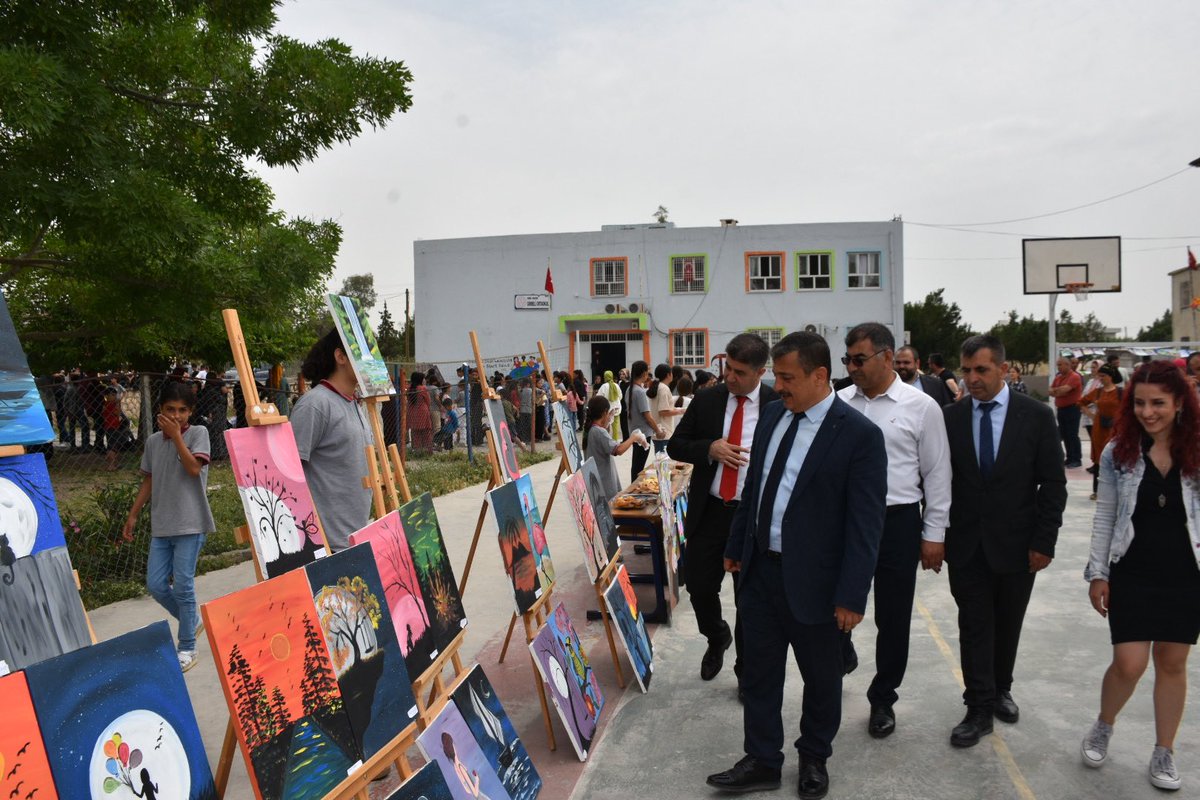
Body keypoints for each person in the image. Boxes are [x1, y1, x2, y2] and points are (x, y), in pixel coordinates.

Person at [706, 331, 887, 799]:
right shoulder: (772, 416)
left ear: (820, 375)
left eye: (788, 378)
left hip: (819, 583)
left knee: (821, 678)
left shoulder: (859, 435)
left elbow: (865, 526)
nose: (779, 386)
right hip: (761, 572)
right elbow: (756, 488)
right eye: (778, 377)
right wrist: (736, 545)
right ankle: (763, 758)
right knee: (760, 673)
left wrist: (852, 594)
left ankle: (813, 756)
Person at [1081, 360, 1200, 791]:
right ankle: (1104, 723)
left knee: (1172, 663)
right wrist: (1098, 573)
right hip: (1131, 569)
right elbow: (1107, 515)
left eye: (1159, 404)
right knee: (1128, 664)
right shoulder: (1119, 452)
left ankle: (1164, 750)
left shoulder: (1198, 448)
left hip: (1186, 575)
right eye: (1141, 404)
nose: (1148, 412)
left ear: (1181, 403)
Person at [942, 334, 1066, 747]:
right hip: (966, 544)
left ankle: (1001, 688)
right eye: (967, 370)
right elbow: (939, 483)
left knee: (1008, 622)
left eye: (982, 370)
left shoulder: (1036, 417)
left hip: (1018, 543)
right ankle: (978, 707)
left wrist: (1044, 541)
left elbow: (1052, 483)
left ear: (1003, 370)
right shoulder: (950, 419)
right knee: (974, 623)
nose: (972, 378)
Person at [837, 323, 952, 739]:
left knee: (893, 616)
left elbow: (937, 473)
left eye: (859, 359)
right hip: (845, 522)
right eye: (847, 359)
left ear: (888, 357)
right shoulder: (838, 403)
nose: (851, 368)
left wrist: (933, 532)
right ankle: (841, 655)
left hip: (897, 521)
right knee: (833, 605)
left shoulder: (921, 407)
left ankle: (883, 696)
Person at [668, 334, 779, 690]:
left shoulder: (777, 404)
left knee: (749, 599)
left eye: (740, 371)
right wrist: (709, 448)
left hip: (752, 518)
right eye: (727, 368)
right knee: (700, 586)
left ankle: (746, 670)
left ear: (761, 371)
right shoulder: (707, 399)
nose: (730, 376)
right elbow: (675, 445)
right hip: (711, 511)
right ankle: (717, 637)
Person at [123, 381, 215, 673]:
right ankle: (193, 621)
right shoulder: (152, 442)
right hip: (162, 525)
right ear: (160, 410)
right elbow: (149, 479)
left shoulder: (198, 433)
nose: (176, 415)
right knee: (156, 584)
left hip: (191, 523)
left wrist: (177, 438)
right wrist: (134, 514)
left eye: (183, 410)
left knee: (184, 586)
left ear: (191, 412)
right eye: (170, 409)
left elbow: (192, 469)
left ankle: (187, 645)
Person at [290, 329, 372, 552]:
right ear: (341, 357)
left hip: (356, 537)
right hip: (328, 545)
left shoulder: (354, 403)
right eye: (361, 353)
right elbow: (289, 476)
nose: (369, 361)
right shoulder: (315, 404)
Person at [584, 395, 646, 499]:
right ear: (604, 413)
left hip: (596, 481)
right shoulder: (599, 431)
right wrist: (633, 437)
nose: (610, 417)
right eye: (609, 413)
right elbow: (618, 450)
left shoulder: (591, 429)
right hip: (604, 483)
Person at [1079, 364, 1124, 499]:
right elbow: (1081, 402)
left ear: (1111, 377)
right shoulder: (1098, 392)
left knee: (1116, 458)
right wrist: (1090, 414)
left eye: (1103, 376)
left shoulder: (1121, 392)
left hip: (1115, 428)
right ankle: (1097, 491)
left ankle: (1117, 490)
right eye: (1099, 376)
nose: (1101, 379)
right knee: (1099, 459)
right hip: (1099, 429)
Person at [625, 360, 662, 480]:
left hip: (635, 432)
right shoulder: (639, 392)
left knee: (636, 465)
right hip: (643, 434)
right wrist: (658, 430)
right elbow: (647, 416)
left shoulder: (630, 389)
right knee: (638, 466)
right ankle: (634, 490)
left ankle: (633, 487)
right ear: (644, 373)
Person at [1049, 356, 1084, 468]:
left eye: (1060, 364)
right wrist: (1059, 391)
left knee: (1072, 434)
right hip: (1061, 409)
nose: (1058, 367)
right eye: (1057, 364)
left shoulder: (1074, 377)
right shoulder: (1058, 377)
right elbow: (1050, 391)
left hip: (1072, 409)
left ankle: (1076, 459)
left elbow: (1065, 389)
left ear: (1067, 365)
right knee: (1064, 434)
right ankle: (1069, 458)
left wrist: (1058, 391)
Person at [647, 363, 683, 442]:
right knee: (663, 454)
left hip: (658, 430)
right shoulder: (664, 388)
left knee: (659, 454)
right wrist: (680, 411)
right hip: (664, 431)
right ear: (668, 375)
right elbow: (663, 412)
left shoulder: (657, 386)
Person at [101, 386, 134, 470]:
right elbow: (118, 413)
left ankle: (112, 464)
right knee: (113, 447)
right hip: (113, 427)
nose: (115, 397)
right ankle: (111, 465)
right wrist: (118, 404)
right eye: (113, 395)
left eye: (115, 395)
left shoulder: (106, 404)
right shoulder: (111, 405)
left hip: (108, 426)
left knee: (110, 445)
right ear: (107, 396)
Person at [407, 372, 433, 453]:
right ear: (420, 379)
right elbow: (428, 401)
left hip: (412, 412)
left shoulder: (409, 389)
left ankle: (416, 449)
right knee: (426, 432)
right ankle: (427, 449)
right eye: (423, 378)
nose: (424, 380)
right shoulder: (423, 388)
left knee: (415, 432)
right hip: (423, 411)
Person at [601, 370, 623, 440]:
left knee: (606, 427)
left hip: (607, 411)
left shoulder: (604, 386)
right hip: (616, 409)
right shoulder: (616, 385)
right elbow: (620, 396)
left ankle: (607, 442)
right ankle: (615, 443)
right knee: (615, 428)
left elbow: (599, 397)